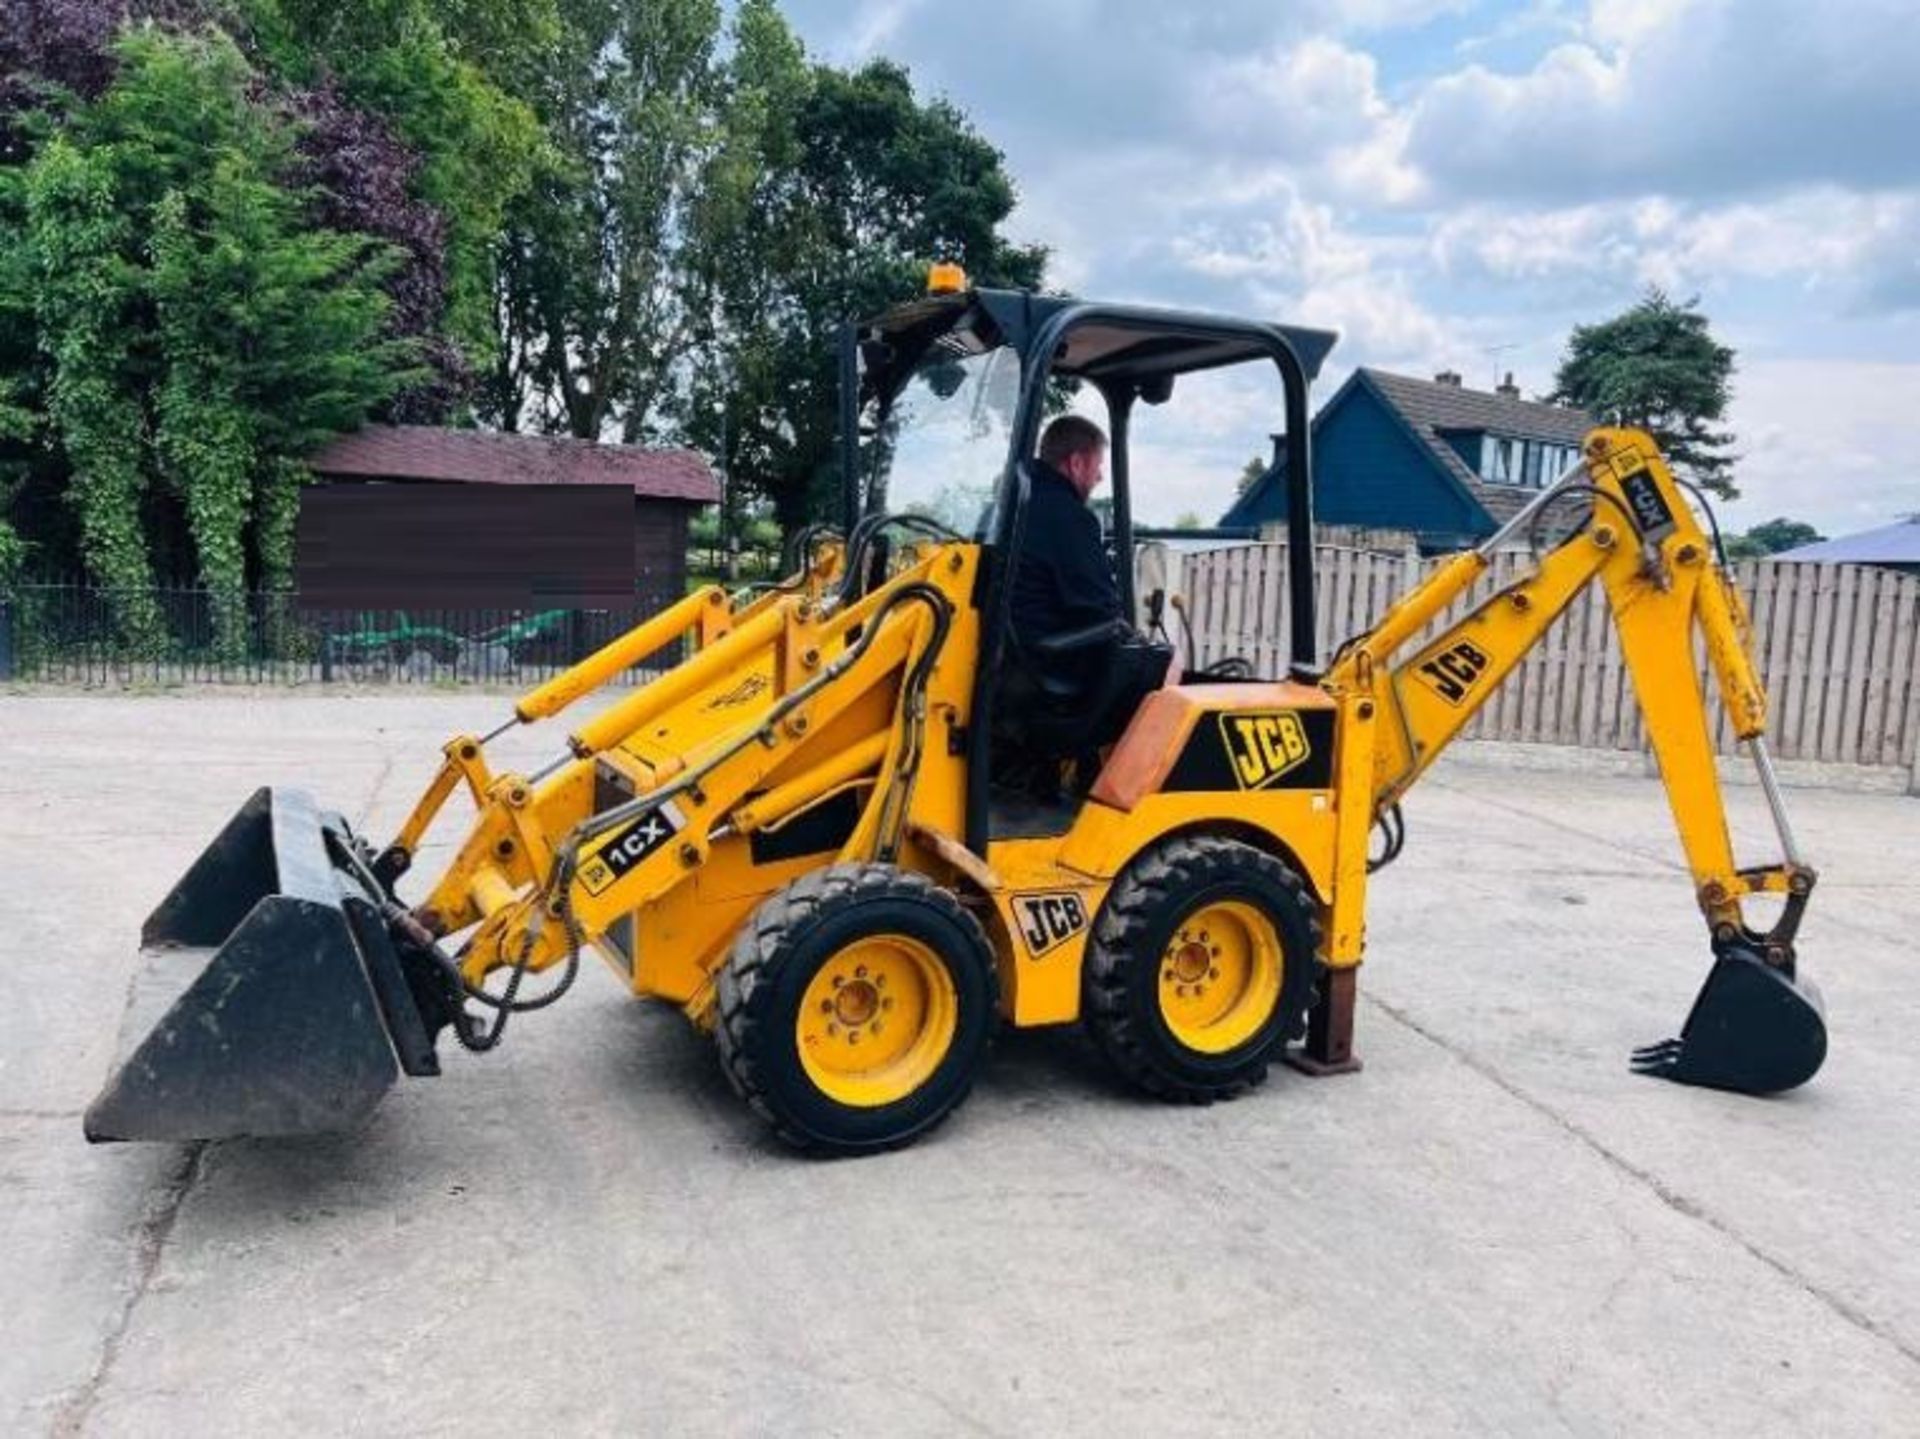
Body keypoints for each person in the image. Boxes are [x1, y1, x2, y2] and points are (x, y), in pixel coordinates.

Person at [1000, 415, 1171, 789]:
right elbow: (1099, 608)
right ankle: (1119, 793)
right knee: (1161, 666)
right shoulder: (1068, 518)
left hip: (1009, 664)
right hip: (1046, 667)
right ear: (1075, 463)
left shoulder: (1009, 509)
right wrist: (1136, 639)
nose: (1098, 478)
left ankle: (1083, 770)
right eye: (1096, 466)